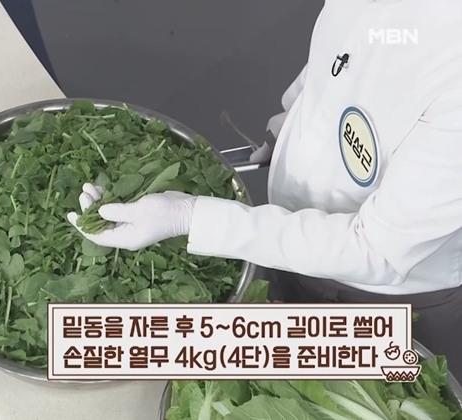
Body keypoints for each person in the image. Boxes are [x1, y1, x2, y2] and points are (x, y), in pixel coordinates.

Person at [67, 0, 462, 379]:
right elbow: (342, 51)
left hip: (384, 300)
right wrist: (295, 116)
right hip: (285, 241)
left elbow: (376, 251)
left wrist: (189, 217)